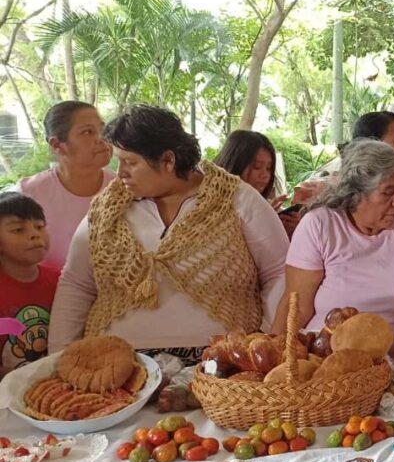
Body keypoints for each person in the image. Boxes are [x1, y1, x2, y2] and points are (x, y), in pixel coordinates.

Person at [48, 105, 289, 362]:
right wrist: (59, 358)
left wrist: (264, 338)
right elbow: (77, 284)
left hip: (217, 364)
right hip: (115, 364)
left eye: (130, 162)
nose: (120, 174)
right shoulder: (107, 208)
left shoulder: (237, 199)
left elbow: (280, 271)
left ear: (168, 160)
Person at [273, 140, 394, 360]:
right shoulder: (320, 225)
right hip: (325, 366)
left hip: (392, 368)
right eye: (388, 192)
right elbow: (296, 306)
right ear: (357, 193)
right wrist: (276, 363)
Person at [14, 101, 115, 269]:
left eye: (103, 130)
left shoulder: (126, 189)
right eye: (88, 132)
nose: (102, 139)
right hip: (50, 292)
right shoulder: (30, 194)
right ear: (57, 145)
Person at [0, 193, 59, 377]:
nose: (34, 234)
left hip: (57, 380)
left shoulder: (61, 280)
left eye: (39, 226)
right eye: (18, 230)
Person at [213, 130, 283, 206]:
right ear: (235, 165)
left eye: (268, 168)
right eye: (257, 167)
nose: (265, 175)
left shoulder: (262, 204)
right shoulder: (207, 202)